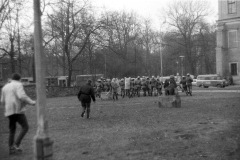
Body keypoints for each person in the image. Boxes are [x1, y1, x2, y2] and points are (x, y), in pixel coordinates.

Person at [0, 73, 36, 155]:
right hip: (17, 110)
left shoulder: (5, 87)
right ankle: (16, 144)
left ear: (12, 78)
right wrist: (32, 102)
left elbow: (2, 101)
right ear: (19, 79)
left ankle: (11, 149)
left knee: (12, 130)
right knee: (25, 127)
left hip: (9, 111)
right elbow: (21, 96)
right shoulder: (18, 84)